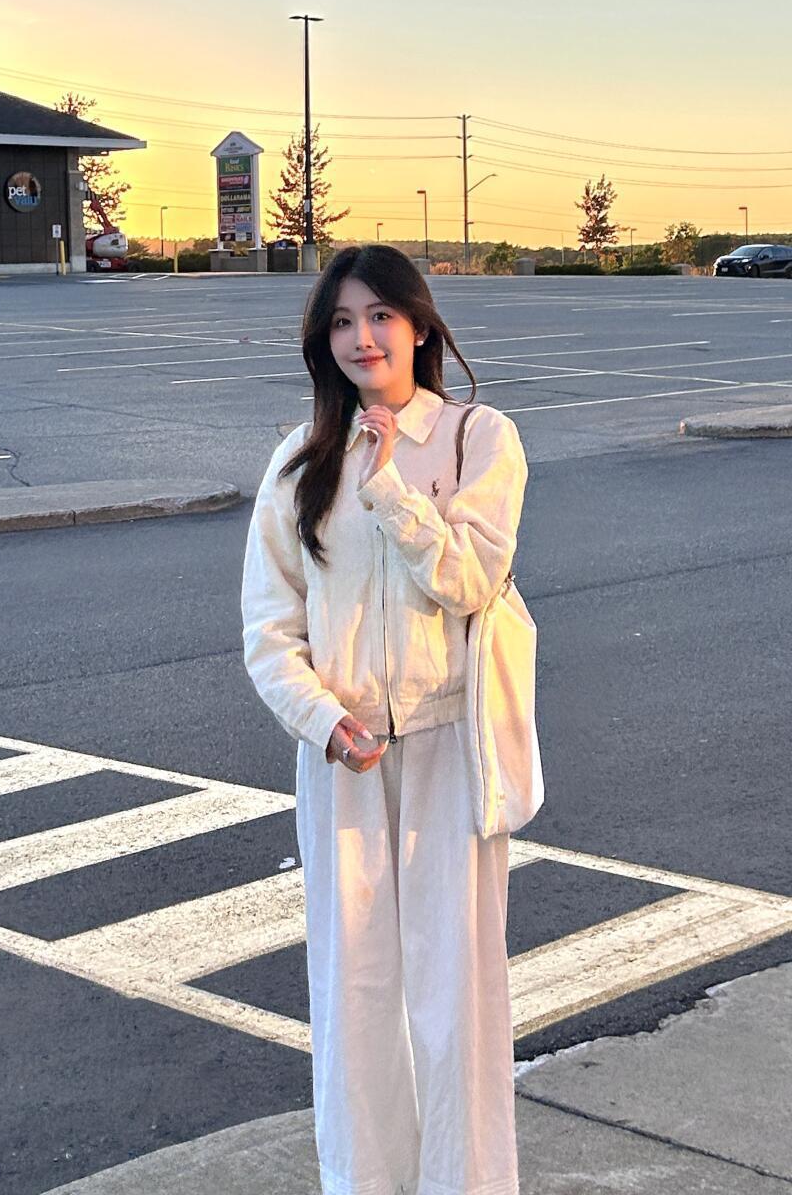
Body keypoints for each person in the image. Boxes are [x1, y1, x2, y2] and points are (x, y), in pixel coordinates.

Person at [241, 244, 529, 1195]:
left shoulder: (478, 439)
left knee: (459, 999)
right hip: (345, 759)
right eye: (341, 321)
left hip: (450, 746)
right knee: (355, 997)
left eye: (379, 316)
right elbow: (269, 628)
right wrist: (322, 721)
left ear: (418, 324)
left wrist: (392, 483)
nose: (362, 338)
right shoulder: (297, 459)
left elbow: (471, 580)